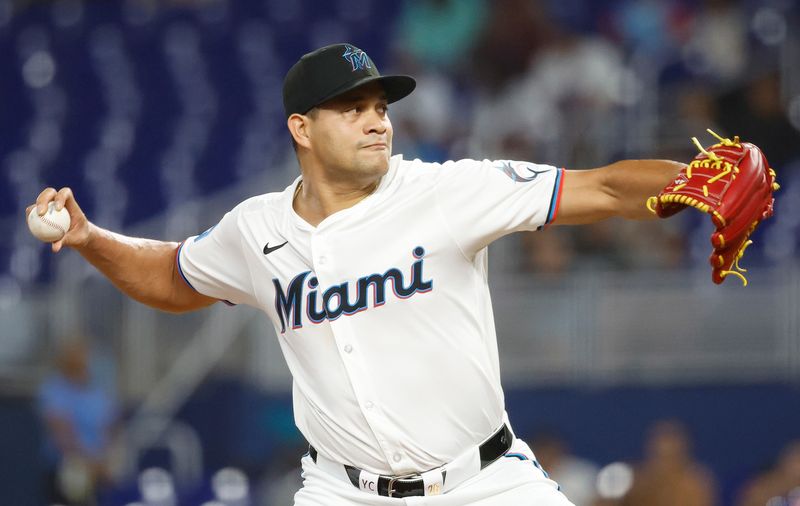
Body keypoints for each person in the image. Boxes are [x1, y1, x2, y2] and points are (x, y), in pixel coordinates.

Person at [30, 43, 690, 505]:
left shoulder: (447, 191)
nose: (377, 120)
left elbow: (601, 189)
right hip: (343, 491)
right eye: (353, 108)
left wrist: (696, 183)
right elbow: (174, 276)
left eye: (380, 105)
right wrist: (89, 239)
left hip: (485, 483)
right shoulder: (255, 228)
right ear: (303, 128)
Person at [38, 338, 118, 506]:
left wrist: (104, 461)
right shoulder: (53, 390)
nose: (82, 360)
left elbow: (109, 430)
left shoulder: (99, 392)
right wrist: (86, 461)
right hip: (66, 469)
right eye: (76, 355)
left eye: (85, 355)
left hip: (98, 468)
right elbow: (61, 433)